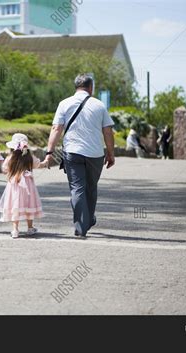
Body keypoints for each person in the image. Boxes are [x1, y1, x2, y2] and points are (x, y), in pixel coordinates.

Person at [45, 74, 115, 238]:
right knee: (91, 188)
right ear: (91, 88)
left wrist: (49, 152)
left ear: (76, 87)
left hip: (72, 152)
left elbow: (56, 129)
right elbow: (108, 131)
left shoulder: (64, 104)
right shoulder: (99, 105)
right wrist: (110, 153)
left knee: (77, 189)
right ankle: (86, 220)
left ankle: (82, 224)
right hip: (95, 154)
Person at [0, 134, 49, 239]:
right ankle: (30, 228)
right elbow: (38, 164)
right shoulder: (29, 157)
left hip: (14, 184)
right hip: (28, 184)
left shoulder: (10, 157)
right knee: (28, 204)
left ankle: (15, 229)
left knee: (15, 204)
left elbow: (4, 169)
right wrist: (45, 162)